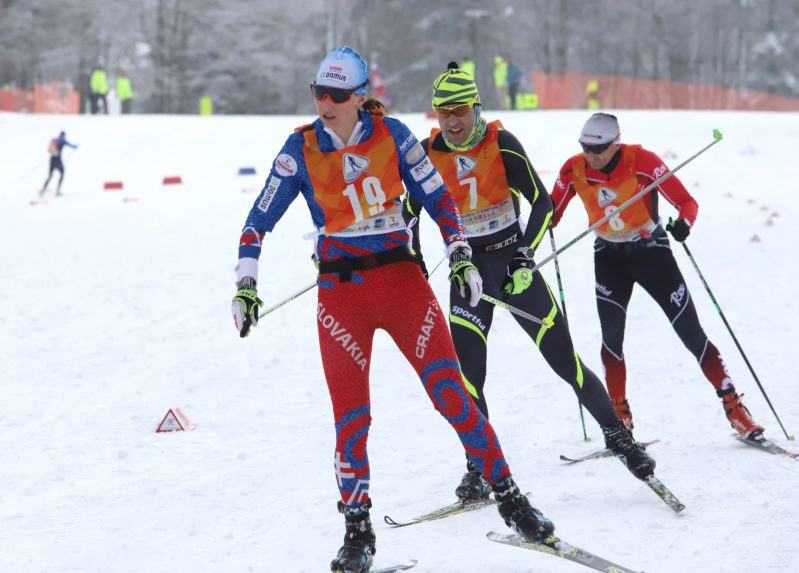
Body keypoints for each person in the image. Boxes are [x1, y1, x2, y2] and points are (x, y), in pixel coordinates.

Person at [232, 47, 554, 573]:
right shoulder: (299, 148)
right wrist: (246, 285)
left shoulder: (395, 136)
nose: (326, 104)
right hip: (342, 295)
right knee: (351, 419)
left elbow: (439, 200)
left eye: (337, 95)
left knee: (453, 395)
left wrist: (460, 256)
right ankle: (357, 531)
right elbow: (255, 223)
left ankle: (511, 498)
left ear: (360, 97)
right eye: (319, 93)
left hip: (403, 285)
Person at [403, 63, 655, 503]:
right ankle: (479, 467)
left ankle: (618, 437)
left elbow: (540, 202)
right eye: (443, 112)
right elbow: (408, 215)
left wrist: (524, 254)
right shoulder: (426, 152)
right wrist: (416, 267)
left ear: (475, 106)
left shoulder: (501, 143)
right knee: (468, 377)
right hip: (468, 274)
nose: (452, 121)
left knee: (564, 362)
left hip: (512, 267)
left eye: (460, 110)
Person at [550, 112, 764, 439]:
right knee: (611, 339)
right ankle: (619, 415)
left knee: (691, 333)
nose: (591, 155)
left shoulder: (643, 161)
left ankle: (734, 406)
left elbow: (686, 203)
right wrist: (535, 226)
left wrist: (683, 225)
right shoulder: (574, 168)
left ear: (615, 144)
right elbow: (551, 213)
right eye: (585, 147)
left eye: (600, 148)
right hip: (609, 258)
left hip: (651, 252)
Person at [39, 130, 77, 197]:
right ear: (64, 135)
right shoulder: (63, 140)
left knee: (50, 176)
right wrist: (75, 146)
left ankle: (43, 190)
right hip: (58, 161)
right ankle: (57, 191)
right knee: (62, 173)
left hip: (51, 160)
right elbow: (71, 145)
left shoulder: (54, 140)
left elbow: (49, 149)